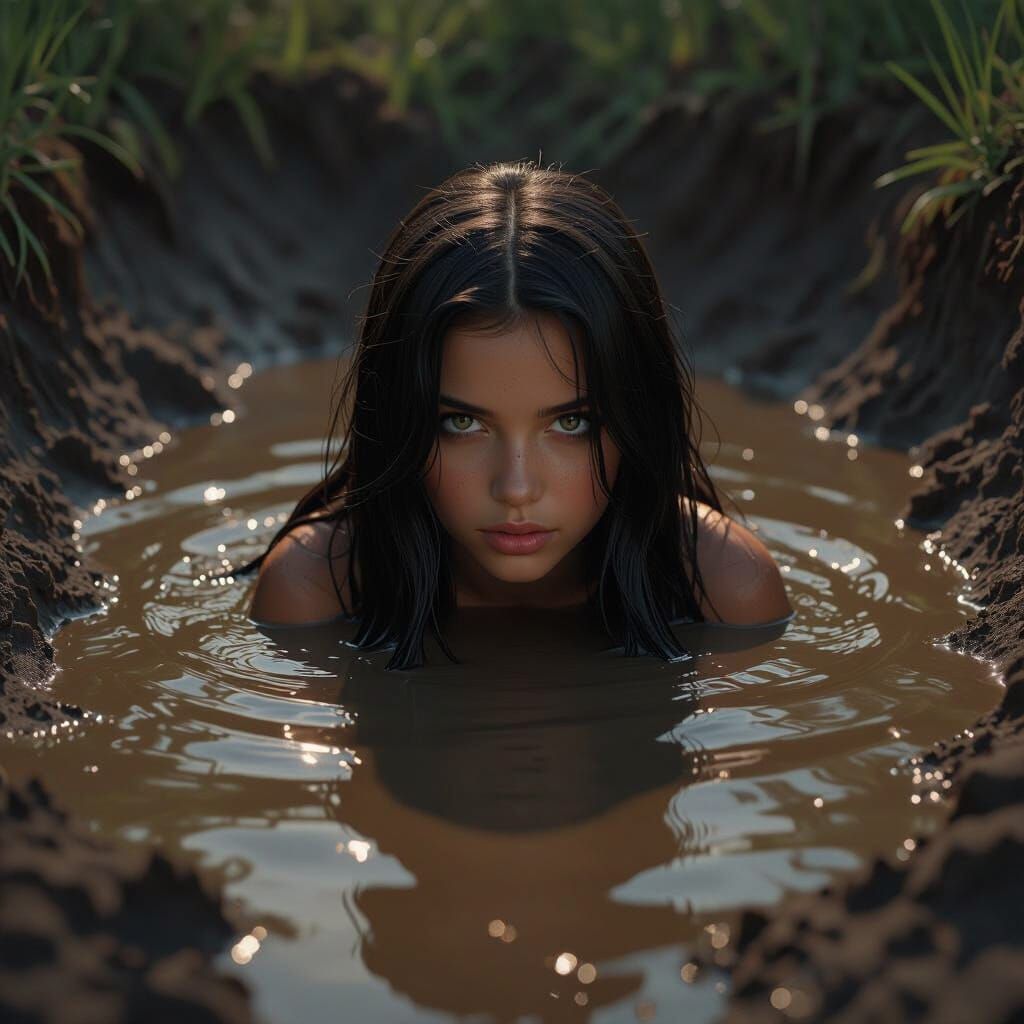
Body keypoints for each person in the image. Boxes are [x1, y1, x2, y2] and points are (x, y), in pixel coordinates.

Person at [247, 160, 792, 669]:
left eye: (571, 423)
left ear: (637, 417)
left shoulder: (726, 587)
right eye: (462, 424)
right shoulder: (316, 585)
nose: (516, 488)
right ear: (397, 419)